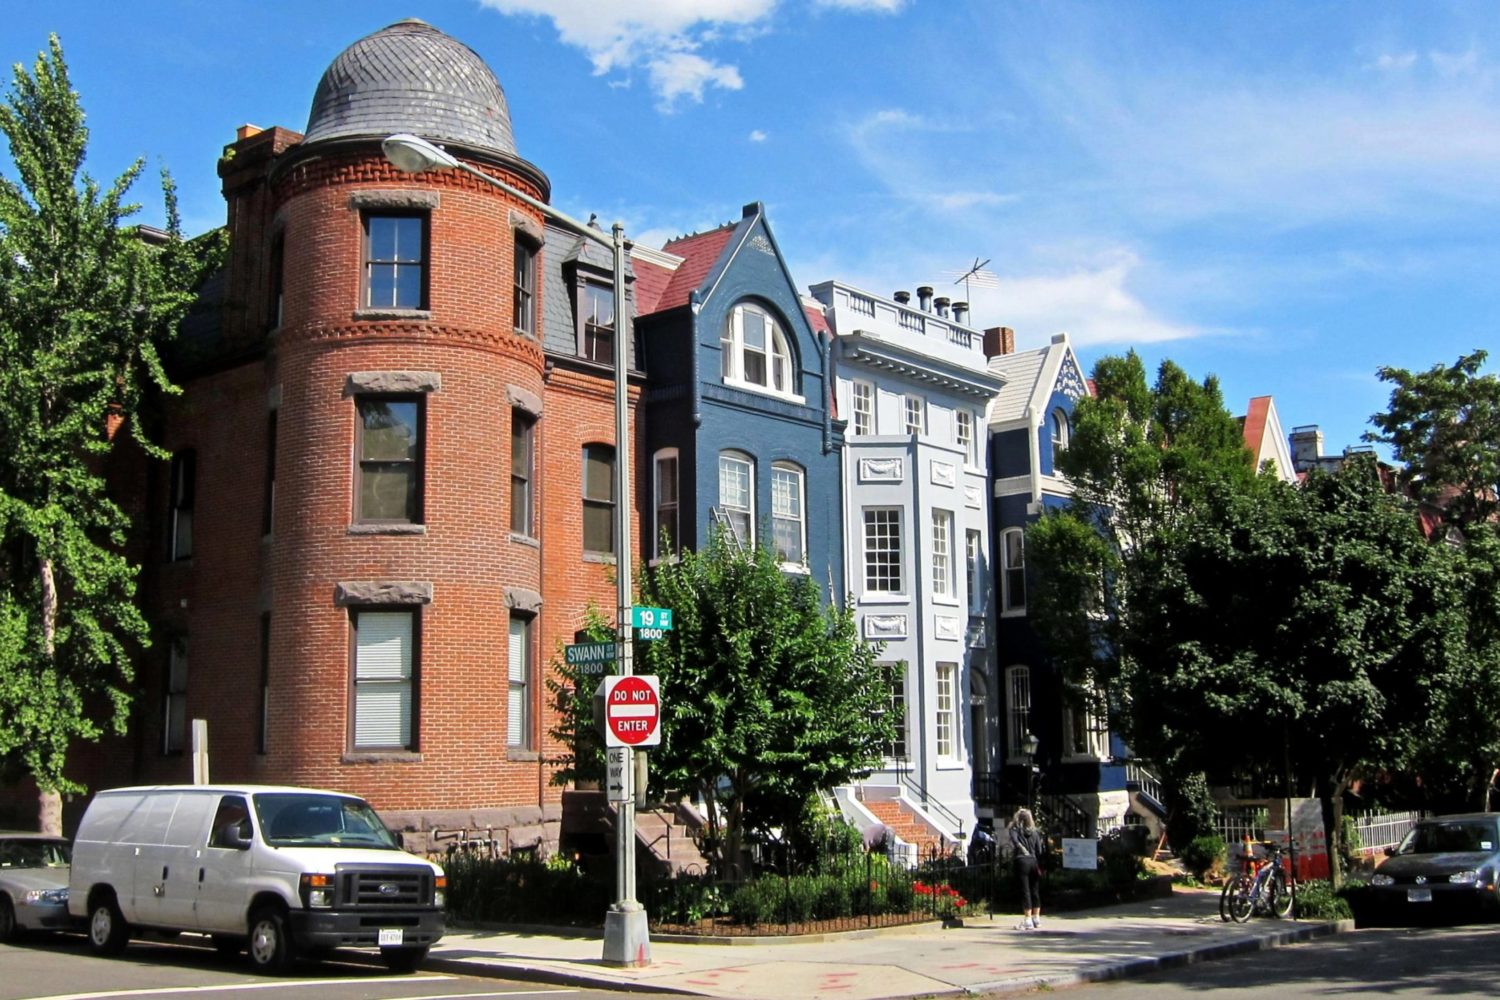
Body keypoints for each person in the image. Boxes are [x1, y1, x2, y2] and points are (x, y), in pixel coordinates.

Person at [1009, 807, 1045, 930]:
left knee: (1025, 890)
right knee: (1035, 890)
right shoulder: (1035, 832)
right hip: (1034, 861)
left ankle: (1028, 919)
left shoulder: (1015, 830)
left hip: (1021, 861)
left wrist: (1021, 848)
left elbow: (1014, 841)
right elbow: (1039, 850)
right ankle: (1037, 918)